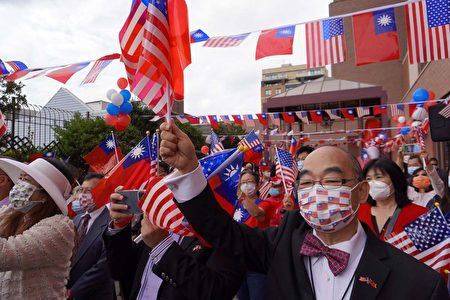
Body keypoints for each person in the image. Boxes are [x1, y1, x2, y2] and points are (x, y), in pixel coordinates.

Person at [159, 121, 448, 300]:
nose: (317, 191)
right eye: (307, 182)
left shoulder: (420, 285)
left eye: (332, 180)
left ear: (361, 192)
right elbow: (221, 231)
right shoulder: (283, 242)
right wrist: (188, 170)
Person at [104, 187, 245, 300]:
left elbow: (214, 292)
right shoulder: (156, 224)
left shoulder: (224, 237)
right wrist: (119, 226)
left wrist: (163, 246)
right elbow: (119, 271)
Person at [0, 157, 76, 299]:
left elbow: (6, 254)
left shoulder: (59, 227)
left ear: (45, 194)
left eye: (26, 180)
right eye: (20, 178)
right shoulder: (13, 213)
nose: (18, 184)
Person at [67, 173, 115, 300]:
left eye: (88, 191)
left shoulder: (112, 222)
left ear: (104, 193)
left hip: (95, 294)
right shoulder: (77, 219)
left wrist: (73, 292)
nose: (82, 194)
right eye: (81, 189)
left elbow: (104, 266)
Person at [357, 158, 427, 240]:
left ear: (395, 180)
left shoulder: (419, 214)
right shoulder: (357, 212)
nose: (373, 182)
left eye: (378, 177)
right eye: (368, 179)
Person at [234, 170, 270, 300]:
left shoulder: (265, 203)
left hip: (256, 262)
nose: (246, 185)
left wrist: (244, 198)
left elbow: (257, 215)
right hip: (239, 262)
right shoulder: (235, 206)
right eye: (243, 182)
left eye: (249, 182)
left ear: (258, 185)